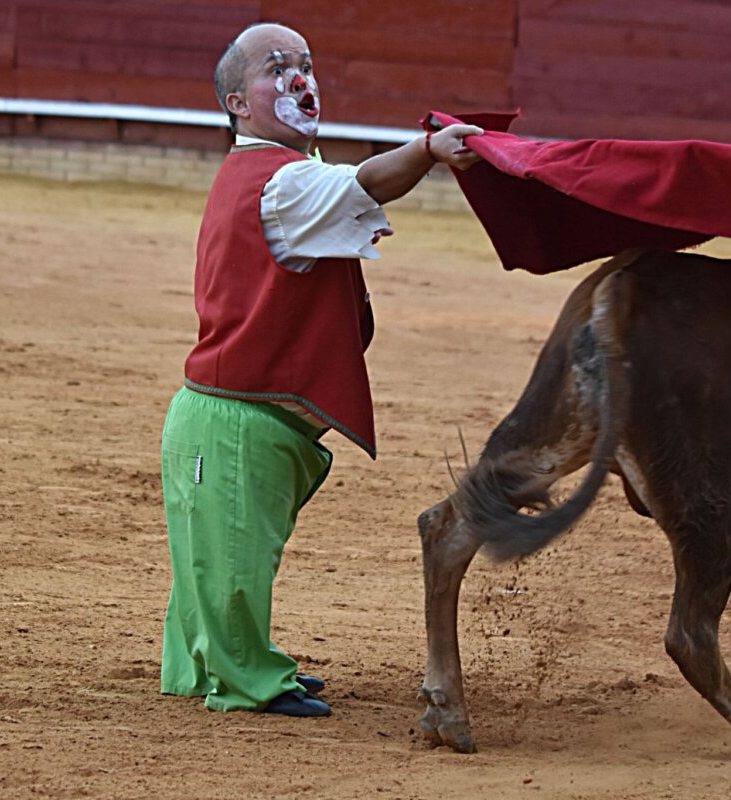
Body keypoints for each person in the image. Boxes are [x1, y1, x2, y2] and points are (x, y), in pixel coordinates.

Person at [159, 22, 482, 717]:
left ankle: (208, 665)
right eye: (276, 69)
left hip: (230, 417)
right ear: (238, 103)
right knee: (233, 560)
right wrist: (428, 150)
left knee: (220, 555)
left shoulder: (271, 174)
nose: (299, 79)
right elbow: (368, 180)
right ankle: (245, 680)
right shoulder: (283, 183)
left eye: (305, 64)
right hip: (237, 419)